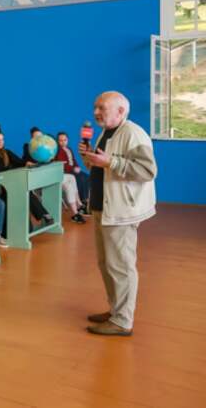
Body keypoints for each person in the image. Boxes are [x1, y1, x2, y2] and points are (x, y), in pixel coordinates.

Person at [80, 91, 156, 337]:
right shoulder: (107, 132)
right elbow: (104, 166)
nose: (96, 112)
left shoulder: (134, 133)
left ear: (121, 110)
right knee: (106, 264)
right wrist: (90, 158)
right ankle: (116, 310)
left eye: (101, 107)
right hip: (102, 207)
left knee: (121, 266)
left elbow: (147, 170)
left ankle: (123, 321)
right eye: (95, 107)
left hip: (121, 211)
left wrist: (110, 162)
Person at [0, 131, 51, 230]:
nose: (1, 142)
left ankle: (43, 216)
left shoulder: (6, 153)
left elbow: (20, 162)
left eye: (2, 140)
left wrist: (28, 163)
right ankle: (42, 215)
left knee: (25, 191)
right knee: (21, 193)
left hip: (11, 185)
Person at [56, 131, 88, 223]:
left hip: (72, 171)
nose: (63, 142)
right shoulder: (58, 151)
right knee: (79, 178)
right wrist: (73, 169)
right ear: (57, 141)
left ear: (67, 140)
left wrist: (77, 167)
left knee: (86, 177)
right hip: (67, 171)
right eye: (60, 140)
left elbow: (73, 160)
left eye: (64, 140)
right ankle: (81, 203)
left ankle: (81, 203)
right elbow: (63, 164)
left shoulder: (69, 149)